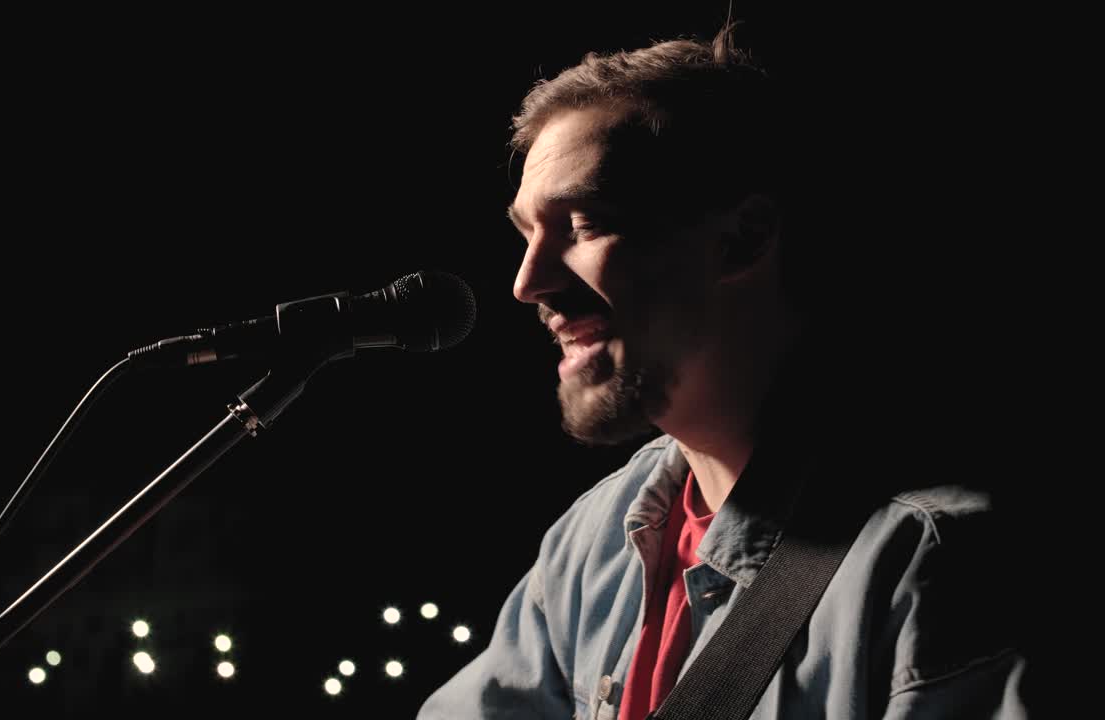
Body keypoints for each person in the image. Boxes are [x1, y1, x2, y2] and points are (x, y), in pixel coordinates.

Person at [419, 22, 1029, 720]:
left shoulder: (934, 566)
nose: (528, 282)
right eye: (527, 233)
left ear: (742, 239)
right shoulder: (594, 542)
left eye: (582, 224)